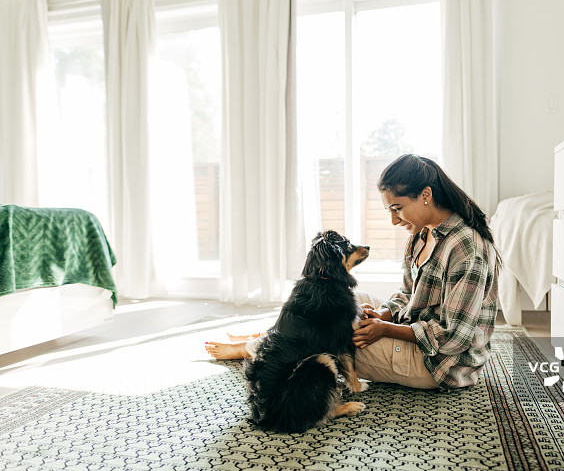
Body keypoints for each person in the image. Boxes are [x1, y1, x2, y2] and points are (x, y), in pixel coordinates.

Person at [206, 154, 500, 390]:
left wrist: (385, 329)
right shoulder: (422, 233)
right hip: (417, 328)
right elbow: (409, 294)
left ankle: (257, 345)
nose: (395, 221)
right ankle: (268, 338)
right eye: (390, 211)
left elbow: (454, 338)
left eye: (398, 208)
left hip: (439, 364)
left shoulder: (467, 250)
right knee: (326, 299)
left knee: (329, 334)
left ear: (425, 194)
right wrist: (384, 314)